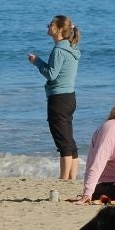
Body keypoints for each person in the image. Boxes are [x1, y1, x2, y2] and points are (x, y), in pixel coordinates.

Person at [27, 15, 82, 183]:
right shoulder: (72, 49)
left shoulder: (59, 50)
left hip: (58, 98)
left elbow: (51, 74)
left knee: (62, 140)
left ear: (58, 29)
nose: (47, 26)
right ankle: (71, 177)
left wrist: (37, 62)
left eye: (50, 24)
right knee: (68, 138)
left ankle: (64, 178)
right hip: (70, 97)